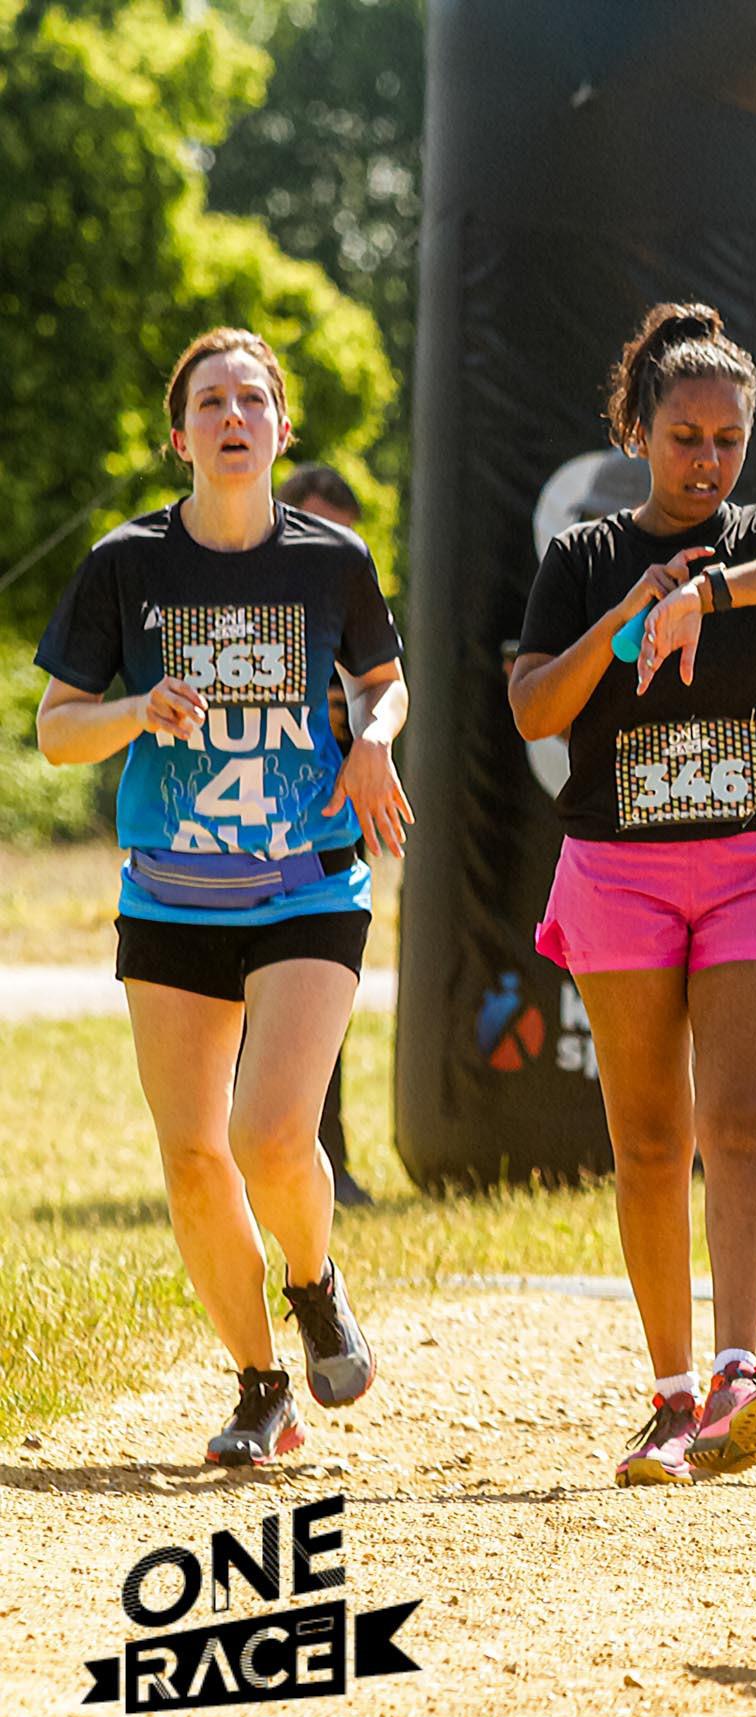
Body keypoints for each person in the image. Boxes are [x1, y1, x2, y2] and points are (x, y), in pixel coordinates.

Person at [509, 303, 756, 1488]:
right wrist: (630, 612)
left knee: (743, 1126)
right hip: (619, 866)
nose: (707, 460)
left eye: (727, 438)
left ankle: (736, 1374)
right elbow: (535, 709)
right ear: (640, 433)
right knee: (651, 1139)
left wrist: (708, 596)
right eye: (683, 437)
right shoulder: (583, 558)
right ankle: (667, 1399)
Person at [34, 328, 407, 1465]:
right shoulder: (125, 565)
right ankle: (260, 1390)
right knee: (194, 1154)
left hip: (306, 883)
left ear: (281, 428)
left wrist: (375, 743)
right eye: (212, 400)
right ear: (181, 432)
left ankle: (315, 1280)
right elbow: (56, 733)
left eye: (254, 398)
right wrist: (136, 711)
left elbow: (383, 689)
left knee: (270, 1131)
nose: (234, 415)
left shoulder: (332, 561)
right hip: (171, 896)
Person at [267, 463, 378, 1210]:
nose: (330, 547)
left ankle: (326, 1162)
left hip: (329, 837)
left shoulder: (354, 610)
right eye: (316, 527)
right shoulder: (237, 604)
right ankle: (229, 1166)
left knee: (318, 1017)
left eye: (345, 534)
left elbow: (385, 695)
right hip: (232, 836)